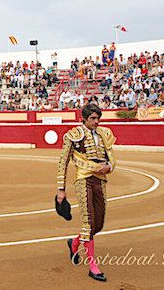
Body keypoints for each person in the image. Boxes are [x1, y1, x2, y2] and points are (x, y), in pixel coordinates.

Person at [56, 104, 116, 282]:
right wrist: (61, 189)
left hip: (100, 180)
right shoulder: (74, 135)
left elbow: (111, 158)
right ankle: (93, 266)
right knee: (88, 221)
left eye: (98, 118)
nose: (96, 122)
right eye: (93, 119)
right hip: (83, 180)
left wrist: (110, 167)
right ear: (84, 118)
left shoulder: (104, 134)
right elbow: (63, 162)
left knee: (98, 224)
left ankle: (74, 243)